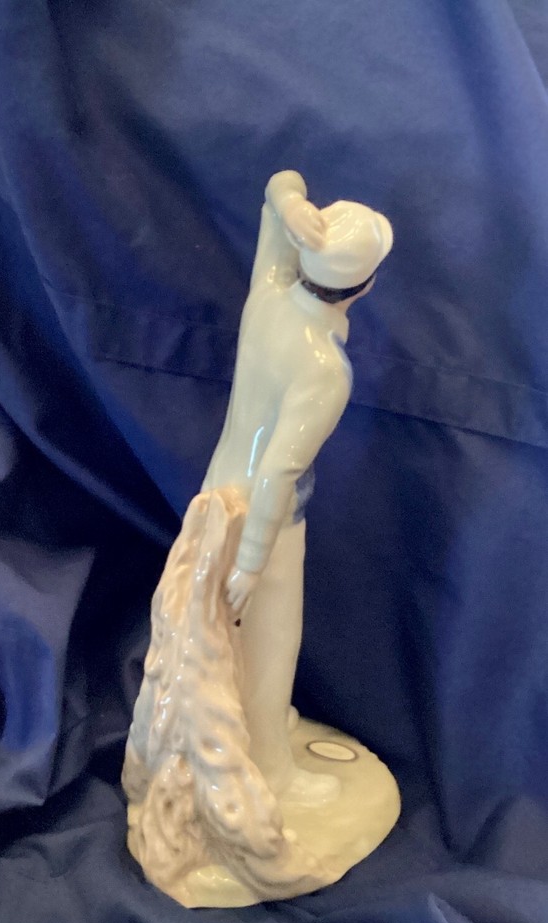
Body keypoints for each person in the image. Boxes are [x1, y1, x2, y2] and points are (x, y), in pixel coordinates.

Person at [203, 170, 393, 800]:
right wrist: (254, 561)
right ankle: (271, 769)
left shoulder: (270, 292)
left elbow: (275, 191)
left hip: (216, 490)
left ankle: (249, 725)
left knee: (239, 634)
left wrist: (288, 202)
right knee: (272, 640)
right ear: (363, 286)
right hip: (267, 517)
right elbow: (280, 470)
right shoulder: (324, 368)